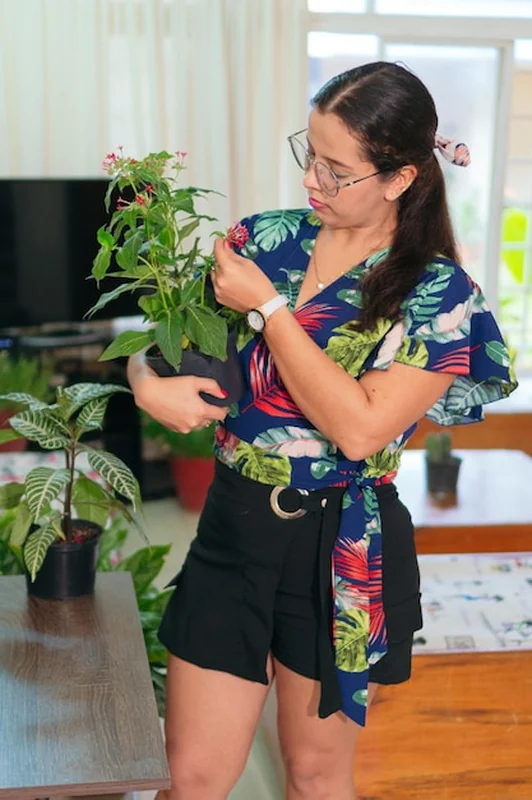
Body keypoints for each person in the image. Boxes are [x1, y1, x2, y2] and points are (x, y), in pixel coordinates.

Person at [128, 61, 517, 800]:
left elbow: (362, 430)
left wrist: (271, 310)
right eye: (308, 153)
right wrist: (150, 386)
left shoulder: (440, 295)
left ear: (401, 178)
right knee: (192, 778)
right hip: (233, 529)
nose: (312, 180)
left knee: (313, 776)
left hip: (341, 545)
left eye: (336, 170)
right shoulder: (262, 240)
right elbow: (157, 350)